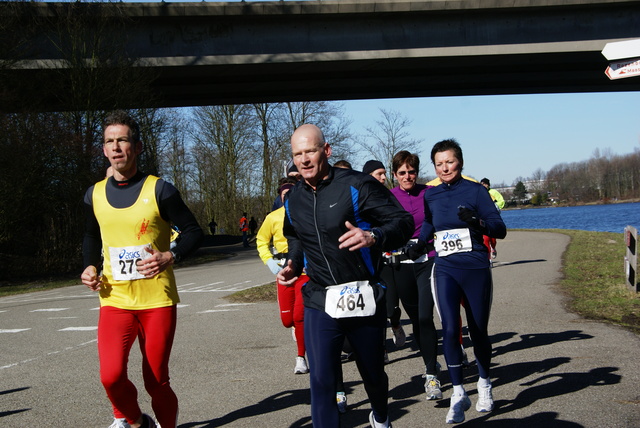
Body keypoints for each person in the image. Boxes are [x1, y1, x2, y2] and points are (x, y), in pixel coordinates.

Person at [277, 124, 413, 428]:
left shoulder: (358, 185)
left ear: (326, 150)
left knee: (373, 374)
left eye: (310, 151)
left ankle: (380, 415)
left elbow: (402, 223)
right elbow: (295, 237)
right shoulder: (294, 198)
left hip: (362, 294)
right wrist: (293, 263)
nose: (304, 160)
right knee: (322, 381)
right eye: (297, 154)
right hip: (320, 297)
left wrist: (374, 236)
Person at [81, 110, 203, 428]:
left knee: (156, 380)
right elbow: (91, 236)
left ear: (137, 147)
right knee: (110, 377)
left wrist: (169, 254)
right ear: (104, 149)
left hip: (156, 301)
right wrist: (89, 267)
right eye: (110, 141)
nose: (116, 146)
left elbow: (193, 232)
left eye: (123, 140)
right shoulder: (93, 194)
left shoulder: (160, 190)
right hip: (114, 299)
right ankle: (136, 421)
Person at [415, 138, 506, 424]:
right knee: (450, 329)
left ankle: (484, 383)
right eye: (439, 164)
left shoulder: (477, 191)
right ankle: (457, 392)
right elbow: (429, 224)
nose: (445, 168)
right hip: (445, 268)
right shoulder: (431, 195)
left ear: (461, 162)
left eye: (450, 162)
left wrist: (477, 222)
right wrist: (418, 244)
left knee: (478, 330)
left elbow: (500, 229)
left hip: (475, 266)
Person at [380, 151, 441, 400]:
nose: (408, 176)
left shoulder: (428, 192)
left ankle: (431, 376)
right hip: (401, 264)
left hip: (427, 260)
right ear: (394, 174)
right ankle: (432, 362)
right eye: (402, 172)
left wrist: (424, 241)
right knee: (415, 318)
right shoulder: (387, 198)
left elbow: (435, 219)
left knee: (426, 317)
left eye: (412, 171)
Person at [362, 159, 405, 362]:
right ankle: (382, 348)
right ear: (368, 176)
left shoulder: (388, 197)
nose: (383, 177)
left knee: (391, 306)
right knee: (377, 307)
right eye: (379, 174)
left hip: (392, 258)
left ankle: (395, 324)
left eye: (384, 173)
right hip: (372, 261)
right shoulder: (361, 198)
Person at [480, 178, 505, 259]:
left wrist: (495, 207)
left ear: (488, 185)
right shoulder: (479, 193)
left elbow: (501, 201)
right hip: (483, 217)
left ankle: (493, 248)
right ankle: (488, 259)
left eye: (485, 184)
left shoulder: (493, 192)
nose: (483, 186)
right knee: (485, 239)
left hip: (493, 217)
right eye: (482, 184)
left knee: (492, 239)